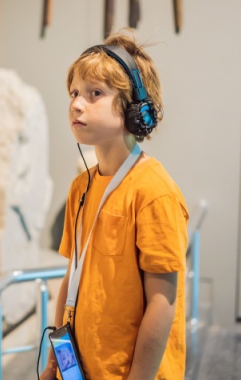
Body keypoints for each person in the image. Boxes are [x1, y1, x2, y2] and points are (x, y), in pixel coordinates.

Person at [40, 32, 189, 380]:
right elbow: (71, 279)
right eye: (74, 93)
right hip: (79, 369)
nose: (77, 104)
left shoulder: (153, 191)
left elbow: (162, 303)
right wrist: (53, 365)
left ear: (135, 110)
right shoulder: (80, 187)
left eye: (95, 94)